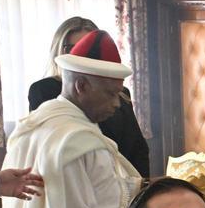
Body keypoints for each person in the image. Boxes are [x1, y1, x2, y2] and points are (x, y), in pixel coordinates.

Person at [0, 31, 143, 208]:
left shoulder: (37, 122)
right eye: (111, 94)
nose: (117, 104)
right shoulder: (75, 141)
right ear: (81, 86)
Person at [29, 18, 150, 178]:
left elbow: (136, 147)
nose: (83, 56)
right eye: (74, 48)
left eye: (89, 49)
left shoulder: (122, 94)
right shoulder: (44, 90)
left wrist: (141, 189)